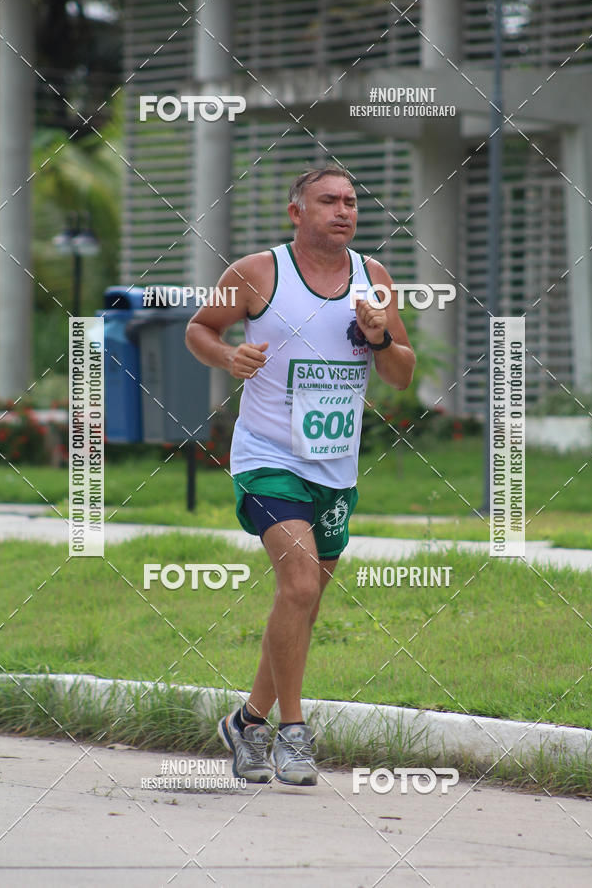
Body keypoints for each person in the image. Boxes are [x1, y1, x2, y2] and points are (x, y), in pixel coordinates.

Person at [185, 165, 416, 786]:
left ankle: (248, 722)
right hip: (267, 456)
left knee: (302, 602)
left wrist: (380, 340)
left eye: (351, 201)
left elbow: (401, 375)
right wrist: (228, 354)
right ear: (297, 212)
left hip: (334, 465)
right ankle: (293, 733)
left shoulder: (375, 279)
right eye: (328, 201)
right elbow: (200, 328)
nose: (344, 211)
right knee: (300, 586)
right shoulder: (258, 273)